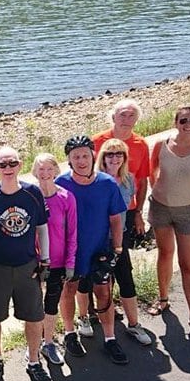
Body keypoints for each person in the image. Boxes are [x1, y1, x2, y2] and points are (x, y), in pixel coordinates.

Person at [0, 146, 53, 381]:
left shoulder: (32, 193)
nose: (7, 169)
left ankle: (33, 360)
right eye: (2, 165)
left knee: (33, 316)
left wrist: (46, 261)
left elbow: (41, 227)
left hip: (27, 265)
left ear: (20, 165)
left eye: (12, 163)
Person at [55, 135, 129, 364]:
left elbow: (116, 218)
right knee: (69, 289)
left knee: (103, 293)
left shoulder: (107, 183)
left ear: (93, 156)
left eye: (85, 155)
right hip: (72, 252)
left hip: (99, 249)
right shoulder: (61, 183)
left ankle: (109, 338)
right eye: (75, 156)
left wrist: (117, 249)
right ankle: (69, 333)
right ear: (68, 160)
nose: (81, 160)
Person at [147, 105, 190, 338]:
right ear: (175, 122)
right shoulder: (162, 144)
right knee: (165, 254)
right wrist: (157, 191)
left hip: (189, 211)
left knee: (188, 264)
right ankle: (163, 298)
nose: (188, 124)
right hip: (161, 208)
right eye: (183, 120)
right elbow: (152, 171)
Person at [94, 139, 152, 345]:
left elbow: (125, 210)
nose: (115, 158)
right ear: (103, 157)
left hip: (119, 236)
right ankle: (106, 328)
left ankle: (134, 324)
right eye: (110, 154)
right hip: (98, 238)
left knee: (125, 276)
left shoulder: (129, 180)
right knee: (102, 282)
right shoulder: (94, 180)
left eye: (119, 154)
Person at [29, 154, 78, 366]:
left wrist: (70, 262)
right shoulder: (29, 197)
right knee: (33, 306)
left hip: (59, 262)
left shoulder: (66, 197)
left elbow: (72, 232)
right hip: (34, 262)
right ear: (34, 172)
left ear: (56, 171)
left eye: (49, 169)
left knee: (51, 304)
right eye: (41, 169)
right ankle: (33, 345)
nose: (45, 173)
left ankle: (48, 342)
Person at [92, 99, 151, 240]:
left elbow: (142, 181)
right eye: (123, 115)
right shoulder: (96, 141)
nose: (126, 119)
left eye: (131, 116)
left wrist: (138, 213)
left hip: (127, 207)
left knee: (121, 250)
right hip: (100, 208)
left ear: (136, 120)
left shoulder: (141, 144)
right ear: (113, 117)